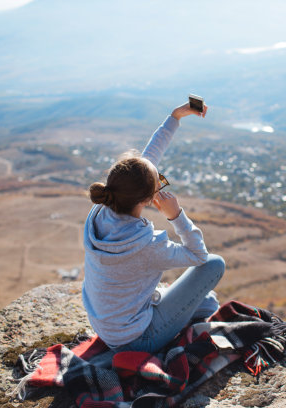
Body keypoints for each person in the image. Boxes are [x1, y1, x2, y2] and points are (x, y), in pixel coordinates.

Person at [82, 101, 225, 354]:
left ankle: (204, 314)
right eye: (158, 182)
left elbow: (144, 165)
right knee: (215, 265)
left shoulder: (100, 211)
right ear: (148, 200)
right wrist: (176, 215)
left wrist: (175, 117)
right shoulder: (146, 246)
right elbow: (199, 255)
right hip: (137, 339)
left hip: (107, 325)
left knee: (207, 301)